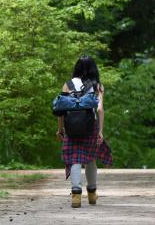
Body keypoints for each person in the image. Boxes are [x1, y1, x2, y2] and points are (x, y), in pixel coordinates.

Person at [56, 55, 113, 208]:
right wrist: (100, 131)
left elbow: (61, 109)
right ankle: (92, 194)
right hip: (90, 126)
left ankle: (76, 195)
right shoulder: (97, 86)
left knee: (74, 158)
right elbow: (100, 109)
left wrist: (60, 129)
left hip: (71, 126)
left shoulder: (68, 85)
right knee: (90, 158)